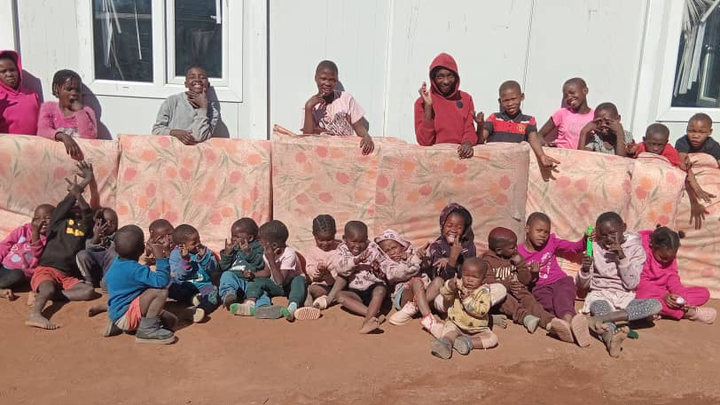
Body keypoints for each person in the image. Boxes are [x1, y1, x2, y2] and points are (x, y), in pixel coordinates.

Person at [576, 212, 662, 357]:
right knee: (599, 308)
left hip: (624, 298)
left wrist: (621, 256)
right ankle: (611, 341)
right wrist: (585, 269)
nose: (608, 238)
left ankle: (598, 320)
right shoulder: (594, 248)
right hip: (600, 295)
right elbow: (583, 286)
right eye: (603, 235)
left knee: (655, 305)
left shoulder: (636, 250)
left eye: (612, 233)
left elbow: (631, 284)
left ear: (623, 228)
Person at [26, 161, 97, 330]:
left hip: (66, 276)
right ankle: (35, 314)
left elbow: (88, 215)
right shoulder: (56, 222)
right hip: (46, 270)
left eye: (79, 203)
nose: (76, 205)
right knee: (48, 287)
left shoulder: (84, 226)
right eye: (73, 203)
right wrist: (82, 185)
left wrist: (80, 194)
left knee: (88, 291)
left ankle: (48, 294)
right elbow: (64, 205)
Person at [481, 227, 573, 339]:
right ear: (499, 250)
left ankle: (551, 323)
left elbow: (525, 281)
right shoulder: (486, 262)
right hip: (501, 299)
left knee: (530, 302)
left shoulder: (515, 257)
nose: (516, 249)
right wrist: (508, 285)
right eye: (512, 247)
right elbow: (489, 283)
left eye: (516, 245)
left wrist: (521, 265)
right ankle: (525, 318)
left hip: (519, 292)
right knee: (506, 299)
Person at [518, 212, 591, 347]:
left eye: (546, 232)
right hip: (539, 287)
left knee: (563, 298)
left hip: (560, 281)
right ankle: (567, 328)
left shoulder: (551, 242)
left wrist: (585, 239)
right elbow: (522, 280)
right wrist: (533, 275)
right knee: (546, 304)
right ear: (527, 229)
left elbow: (575, 248)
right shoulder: (518, 254)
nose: (543, 235)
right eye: (539, 230)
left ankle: (569, 320)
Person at [232, 220, 319, 321]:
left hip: (289, 286)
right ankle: (250, 304)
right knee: (256, 282)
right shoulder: (267, 252)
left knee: (299, 280)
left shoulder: (289, 254)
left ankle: (292, 307)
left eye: (261, 241)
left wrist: (271, 260)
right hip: (276, 286)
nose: (259, 243)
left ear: (273, 245)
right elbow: (267, 272)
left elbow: (280, 281)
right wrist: (253, 275)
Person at [104, 224, 177, 344]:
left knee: (171, 320)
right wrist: (160, 257)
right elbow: (162, 281)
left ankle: (120, 325)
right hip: (125, 315)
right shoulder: (136, 270)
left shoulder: (117, 263)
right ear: (142, 248)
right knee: (160, 292)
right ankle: (148, 330)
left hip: (117, 312)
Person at [635, 226, 715, 324]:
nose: (666, 261)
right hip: (645, 290)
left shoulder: (668, 254)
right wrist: (664, 295)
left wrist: (681, 297)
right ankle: (690, 313)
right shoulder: (641, 252)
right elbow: (640, 282)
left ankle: (661, 311)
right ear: (652, 245)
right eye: (662, 257)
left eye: (671, 258)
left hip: (665, 292)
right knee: (649, 301)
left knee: (703, 293)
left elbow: (672, 277)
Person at [429, 258, 506, 360]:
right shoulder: (459, 285)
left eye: (474, 277)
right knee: (449, 331)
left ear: (483, 279)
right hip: (456, 325)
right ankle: (446, 344)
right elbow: (445, 295)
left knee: (492, 339)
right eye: (466, 275)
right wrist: (450, 286)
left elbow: (482, 311)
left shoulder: (483, 292)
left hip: (477, 330)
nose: (469, 279)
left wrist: (467, 300)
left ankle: (467, 343)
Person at [302, 60, 374, 155]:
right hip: (323, 154)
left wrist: (366, 136)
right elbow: (306, 139)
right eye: (323, 79)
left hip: (345, 152)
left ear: (336, 80)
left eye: (332, 80)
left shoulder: (346, 99)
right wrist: (308, 108)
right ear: (316, 78)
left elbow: (358, 126)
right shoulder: (311, 106)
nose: (327, 83)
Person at [414, 53, 477, 159]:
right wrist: (428, 107)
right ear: (433, 79)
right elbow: (424, 142)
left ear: (456, 77)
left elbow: (469, 128)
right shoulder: (421, 102)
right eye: (440, 77)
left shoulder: (466, 99)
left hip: (461, 157)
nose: (446, 81)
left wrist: (467, 143)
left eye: (450, 76)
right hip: (435, 159)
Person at [332, 221, 388, 334]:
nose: (357, 245)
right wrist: (356, 261)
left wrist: (378, 270)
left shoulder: (373, 248)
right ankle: (374, 314)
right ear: (344, 239)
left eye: (362, 241)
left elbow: (386, 267)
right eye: (353, 241)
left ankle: (367, 323)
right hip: (356, 291)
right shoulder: (342, 249)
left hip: (373, 286)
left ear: (366, 238)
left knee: (380, 290)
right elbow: (339, 267)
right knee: (340, 296)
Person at [37, 69, 97, 160]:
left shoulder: (87, 111)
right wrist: (63, 136)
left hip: (79, 161)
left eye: (77, 90)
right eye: (69, 89)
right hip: (56, 160)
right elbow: (42, 130)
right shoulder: (49, 108)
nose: (74, 93)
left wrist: (80, 112)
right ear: (56, 89)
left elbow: (90, 137)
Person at [376, 229, 431, 328]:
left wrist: (420, 256)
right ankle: (429, 320)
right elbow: (400, 273)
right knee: (416, 282)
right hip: (403, 297)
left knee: (438, 282)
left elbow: (427, 264)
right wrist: (414, 260)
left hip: (425, 292)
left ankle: (417, 307)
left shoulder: (411, 253)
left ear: (401, 246)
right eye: (387, 251)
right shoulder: (386, 265)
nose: (392, 252)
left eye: (394, 247)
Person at [152, 66, 220, 145]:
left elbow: (198, 137)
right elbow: (156, 130)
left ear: (208, 85)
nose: (197, 80)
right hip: (172, 150)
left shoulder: (212, 112)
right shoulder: (172, 101)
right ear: (186, 84)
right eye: (192, 77)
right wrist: (174, 132)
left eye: (202, 77)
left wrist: (203, 108)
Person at [0, 203, 54, 300]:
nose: (43, 222)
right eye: (38, 218)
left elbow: (38, 254)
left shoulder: (52, 239)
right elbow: (5, 245)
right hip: (3, 266)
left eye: (47, 218)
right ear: (33, 220)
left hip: (19, 274)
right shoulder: (23, 230)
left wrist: (35, 233)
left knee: (17, 275)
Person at [168, 224, 219, 323]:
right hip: (184, 285)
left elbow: (213, 269)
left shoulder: (205, 251)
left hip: (203, 285)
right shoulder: (175, 255)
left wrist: (204, 258)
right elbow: (179, 275)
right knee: (168, 285)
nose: (198, 244)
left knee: (213, 292)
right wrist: (185, 260)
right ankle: (192, 298)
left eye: (199, 239)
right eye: (194, 243)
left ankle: (200, 310)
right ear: (181, 246)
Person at [675, 113, 719, 229]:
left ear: (709, 132)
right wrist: (698, 190)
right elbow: (684, 167)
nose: (695, 136)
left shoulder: (713, 146)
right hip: (689, 178)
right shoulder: (682, 142)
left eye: (701, 132)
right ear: (687, 129)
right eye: (691, 131)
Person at [218, 218, 266, 308]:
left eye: (236, 237)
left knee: (261, 292)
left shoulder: (258, 247)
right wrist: (227, 254)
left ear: (250, 238)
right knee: (226, 275)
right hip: (235, 281)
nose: (233, 239)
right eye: (232, 236)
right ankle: (229, 296)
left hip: (250, 282)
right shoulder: (234, 249)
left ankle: (263, 307)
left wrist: (248, 252)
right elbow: (223, 268)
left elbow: (261, 264)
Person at [538, 77, 594, 150]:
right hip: (561, 154)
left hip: (583, 156)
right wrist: (546, 145)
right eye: (565, 96)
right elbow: (539, 135)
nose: (569, 97)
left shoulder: (595, 116)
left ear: (585, 91)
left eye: (572, 93)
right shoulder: (561, 113)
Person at [304, 215, 346, 310]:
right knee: (309, 289)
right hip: (323, 287)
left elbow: (346, 268)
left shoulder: (340, 248)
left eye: (329, 239)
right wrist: (319, 270)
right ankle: (309, 307)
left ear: (334, 234)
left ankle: (327, 301)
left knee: (342, 279)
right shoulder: (313, 252)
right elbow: (311, 274)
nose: (325, 243)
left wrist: (332, 269)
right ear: (314, 235)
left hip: (338, 286)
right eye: (321, 240)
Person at [76, 207, 118, 289]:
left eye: (113, 222)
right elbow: (88, 247)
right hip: (93, 268)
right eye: (105, 221)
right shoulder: (90, 234)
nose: (109, 224)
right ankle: (88, 281)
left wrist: (108, 243)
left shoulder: (116, 235)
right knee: (81, 254)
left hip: (107, 268)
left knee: (114, 254)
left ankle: (106, 282)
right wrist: (96, 237)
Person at [0, 50, 40, 135]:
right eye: (3, 71)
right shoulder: (1, 99)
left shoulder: (32, 95)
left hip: (35, 143)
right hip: (8, 143)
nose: (9, 74)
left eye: (12, 70)